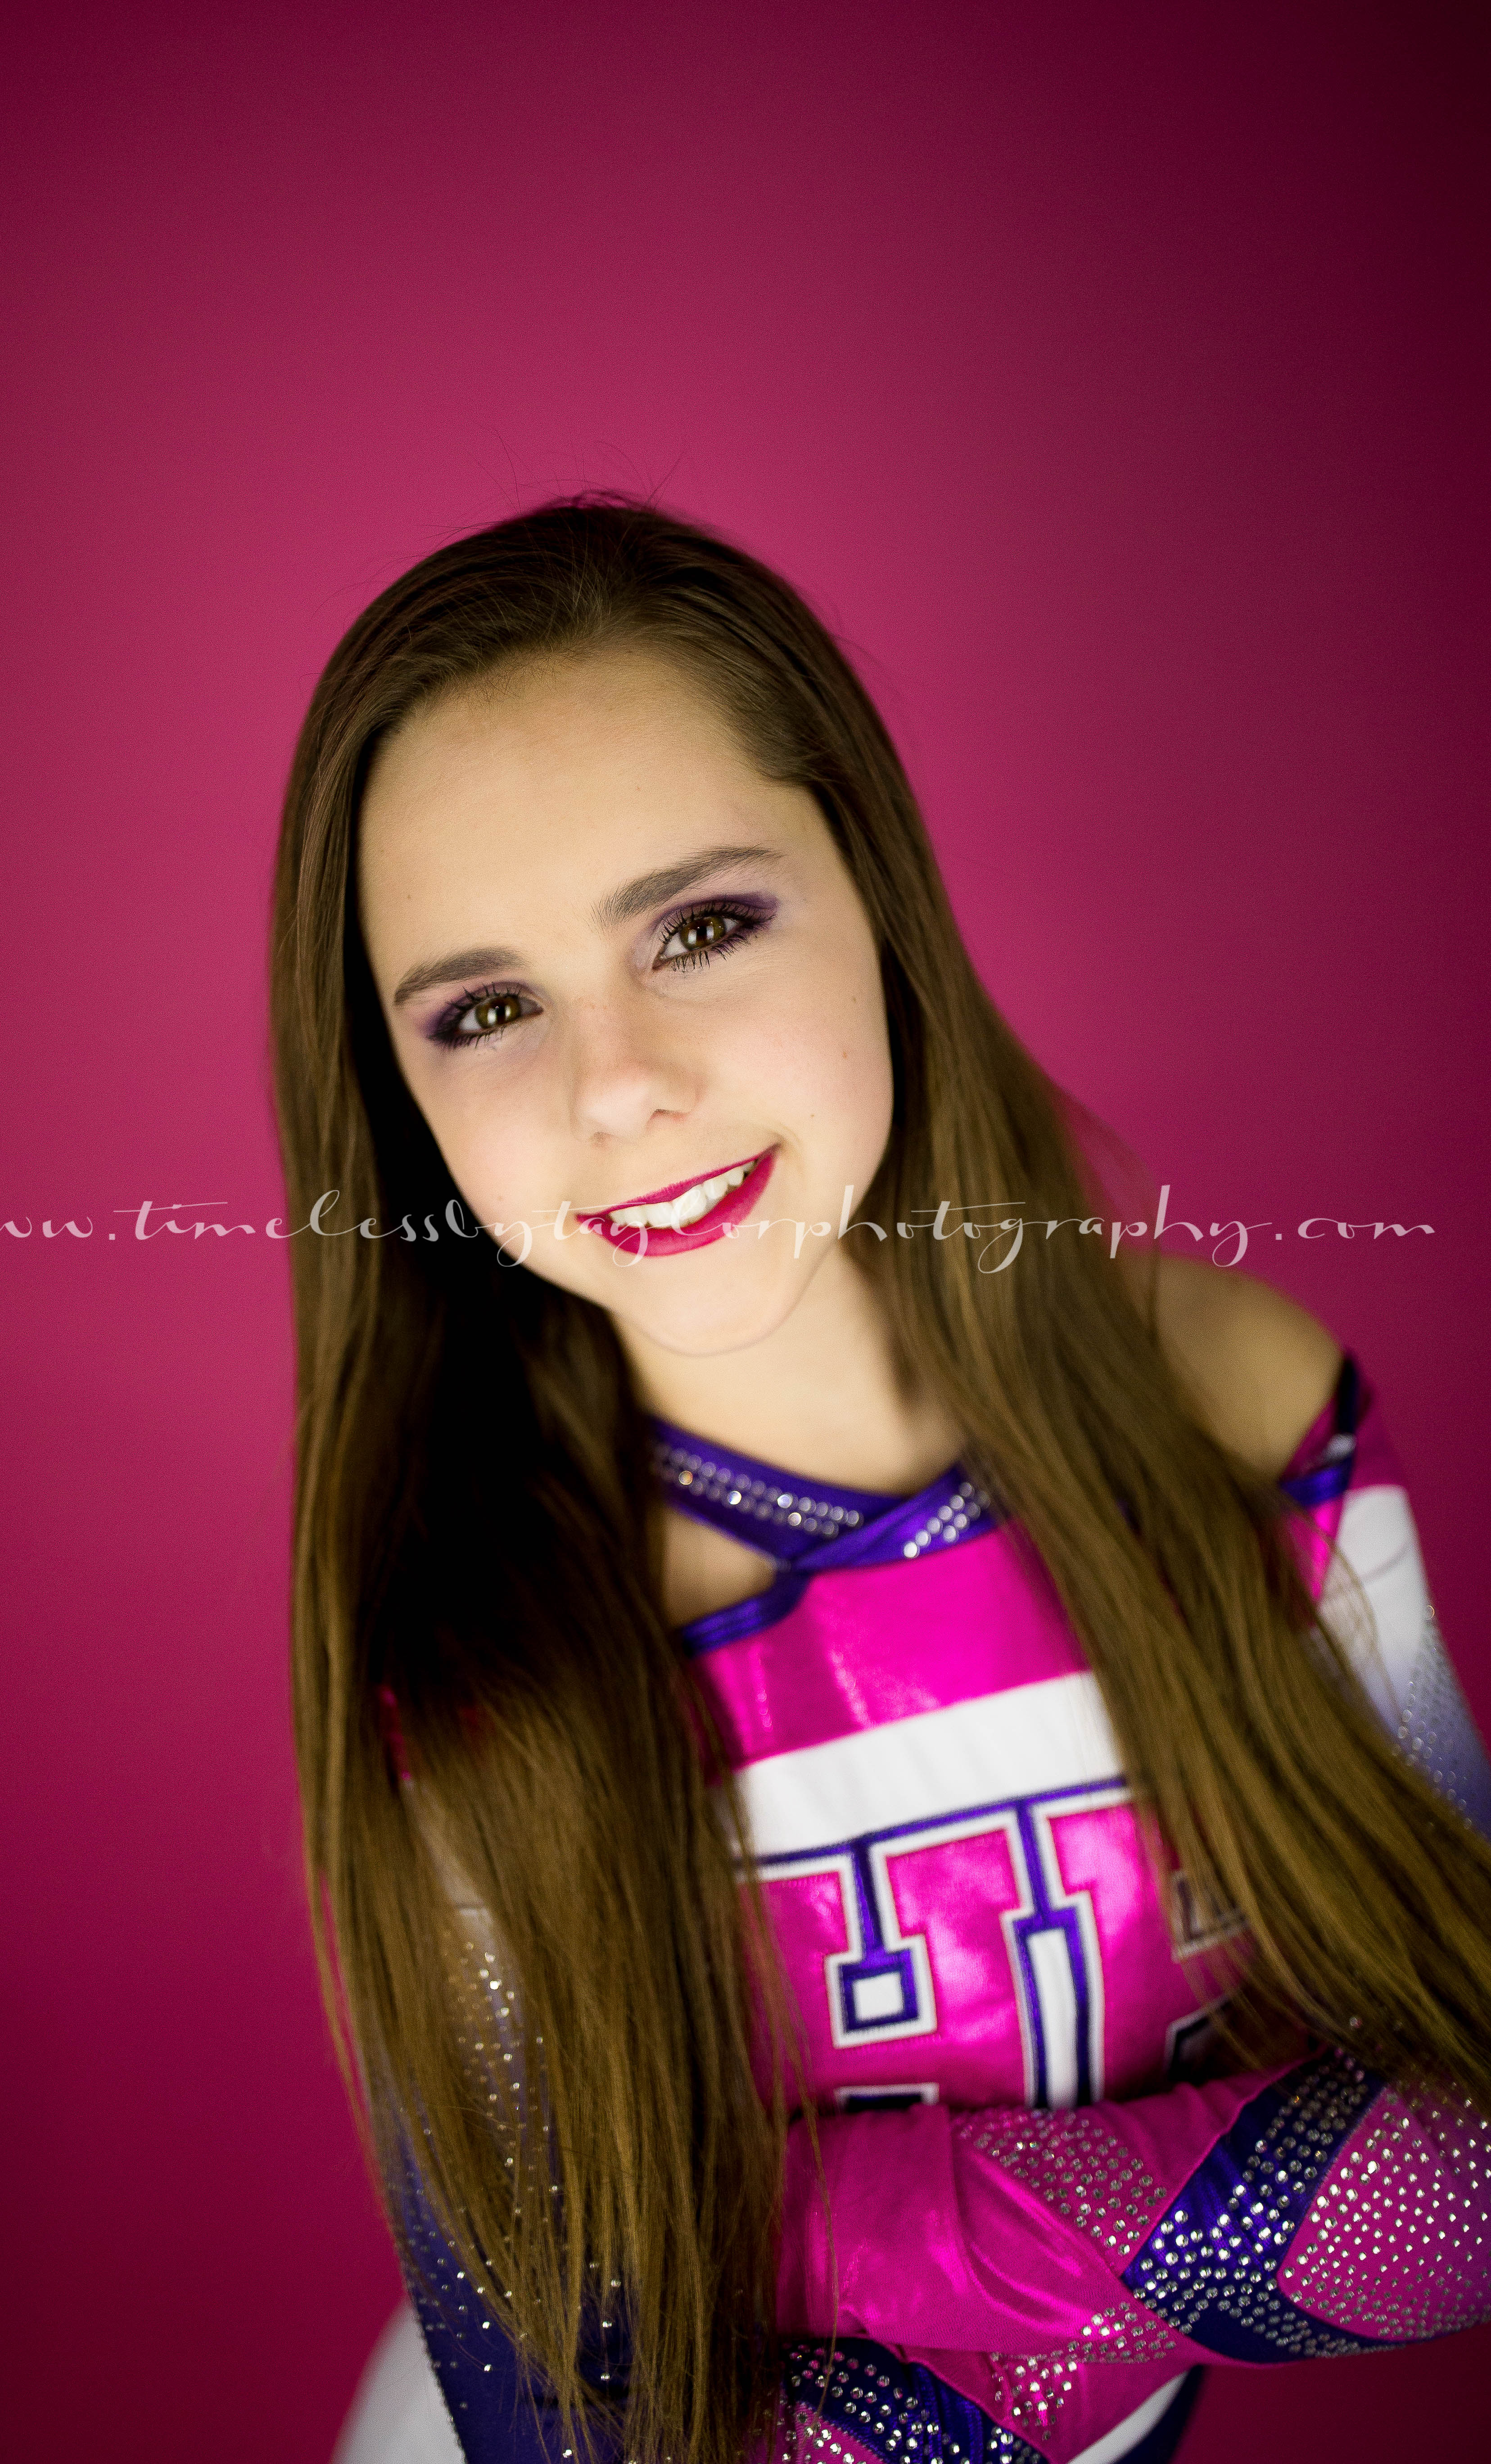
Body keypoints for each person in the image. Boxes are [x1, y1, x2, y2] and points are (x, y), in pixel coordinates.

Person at [269, 498, 1491, 2464]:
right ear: (401, 1094)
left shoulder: (1250, 1420)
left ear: (875, 887)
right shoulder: (476, 1638)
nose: (618, 1086)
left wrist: (763, 2231)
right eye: (486, 1010)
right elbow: (562, 2379)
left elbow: (1475, 2171)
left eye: (699, 928)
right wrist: (1234, 2227)